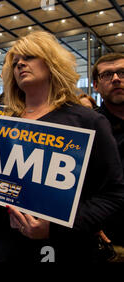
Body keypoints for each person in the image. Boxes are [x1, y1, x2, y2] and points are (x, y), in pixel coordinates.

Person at [0, 31, 124, 262]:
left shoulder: (87, 122)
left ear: (52, 63)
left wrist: (56, 228)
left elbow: (113, 194)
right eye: (15, 61)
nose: (20, 64)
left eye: (29, 57)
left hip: (63, 250)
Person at [92, 53, 124, 248]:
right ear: (95, 85)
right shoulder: (87, 126)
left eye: (122, 72)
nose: (116, 78)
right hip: (108, 235)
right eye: (107, 75)